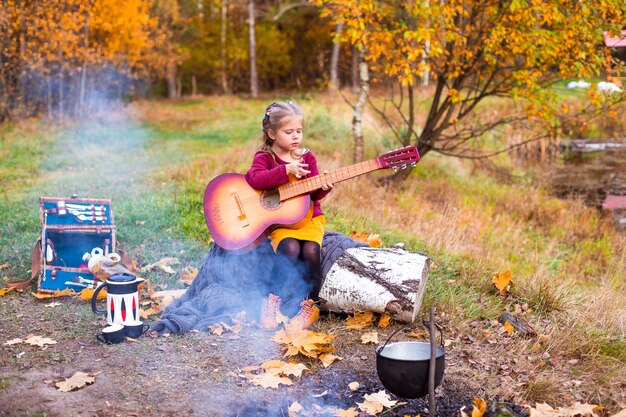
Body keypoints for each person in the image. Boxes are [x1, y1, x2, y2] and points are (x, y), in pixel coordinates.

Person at [244, 101, 333, 330]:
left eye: (299, 131)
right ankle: (271, 301)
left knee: (311, 250)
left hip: (309, 219)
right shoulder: (265, 157)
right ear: (272, 133)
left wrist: (324, 186)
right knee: (291, 248)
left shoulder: (306, 157)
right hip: (282, 222)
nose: (296, 136)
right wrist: (285, 170)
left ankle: (310, 305)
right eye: (289, 132)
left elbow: (314, 195)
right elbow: (255, 179)